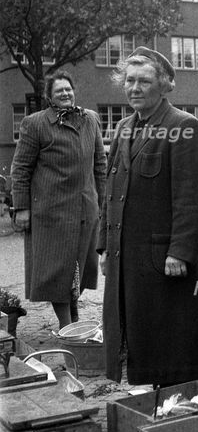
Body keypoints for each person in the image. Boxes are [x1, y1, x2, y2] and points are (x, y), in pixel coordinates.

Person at [99, 47, 198, 387]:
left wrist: (180, 250)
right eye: (129, 81)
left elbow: (191, 197)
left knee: (169, 334)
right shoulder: (122, 127)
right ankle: (151, 397)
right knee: (135, 329)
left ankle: (177, 399)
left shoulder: (183, 126)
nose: (134, 88)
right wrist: (104, 246)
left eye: (144, 81)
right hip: (125, 255)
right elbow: (110, 191)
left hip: (163, 256)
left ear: (163, 85)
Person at [11, 70, 106, 330]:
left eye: (68, 89)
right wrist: (21, 208)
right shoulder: (36, 123)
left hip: (86, 210)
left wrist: (105, 203)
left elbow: (100, 165)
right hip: (51, 213)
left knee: (82, 269)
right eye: (58, 91)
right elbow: (20, 168)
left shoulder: (91, 120)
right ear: (49, 97)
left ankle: (72, 317)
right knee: (57, 272)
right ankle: (67, 326)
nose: (65, 93)